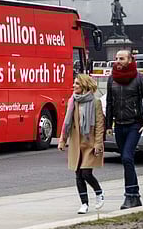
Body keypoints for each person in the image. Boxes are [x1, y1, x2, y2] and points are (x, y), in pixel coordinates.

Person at [105, 50, 143, 209]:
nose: (118, 61)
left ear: (130, 59)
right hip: (118, 125)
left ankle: (130, 196)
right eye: (117, 58)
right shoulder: (112, 79)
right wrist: (108, 126)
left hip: (134, 124)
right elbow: (110, 103)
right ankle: (135, 195)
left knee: (127, 158)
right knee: (127, 160)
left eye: (122, 58)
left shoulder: (139, 79)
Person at [58, 74, 105, 214]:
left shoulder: (95, 102)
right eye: (74, 83)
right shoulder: (73, 101)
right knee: (78, 174)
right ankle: (84, 203)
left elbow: (99, 125)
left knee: (86, 173)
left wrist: (98, 144)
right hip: (76, 143)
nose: (74, 86)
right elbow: (67, 123)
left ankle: (99, 193)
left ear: (84, 85)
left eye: (77, 84)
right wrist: (62, 140)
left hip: (89, 143)